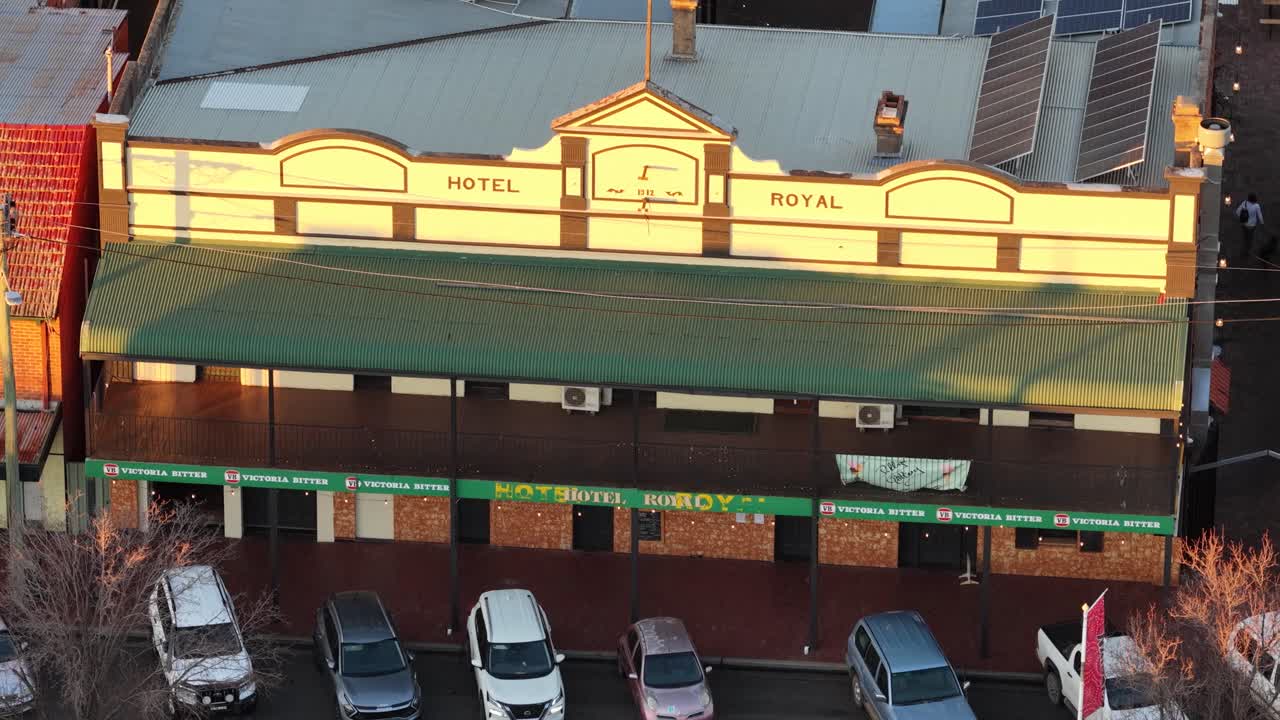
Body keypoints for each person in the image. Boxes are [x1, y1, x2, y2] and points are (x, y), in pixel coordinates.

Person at [1238, 193, 1265, 258]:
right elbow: (1259, 215)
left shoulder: (1244, 203)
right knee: (1250, 238)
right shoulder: (1256, 206)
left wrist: (1242, 217)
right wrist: (1262, 222)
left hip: (1244, 224)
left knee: (1245, 237)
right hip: (1252, 225)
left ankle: (1244, 249)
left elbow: (1238, 212)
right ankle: (1248, 251)